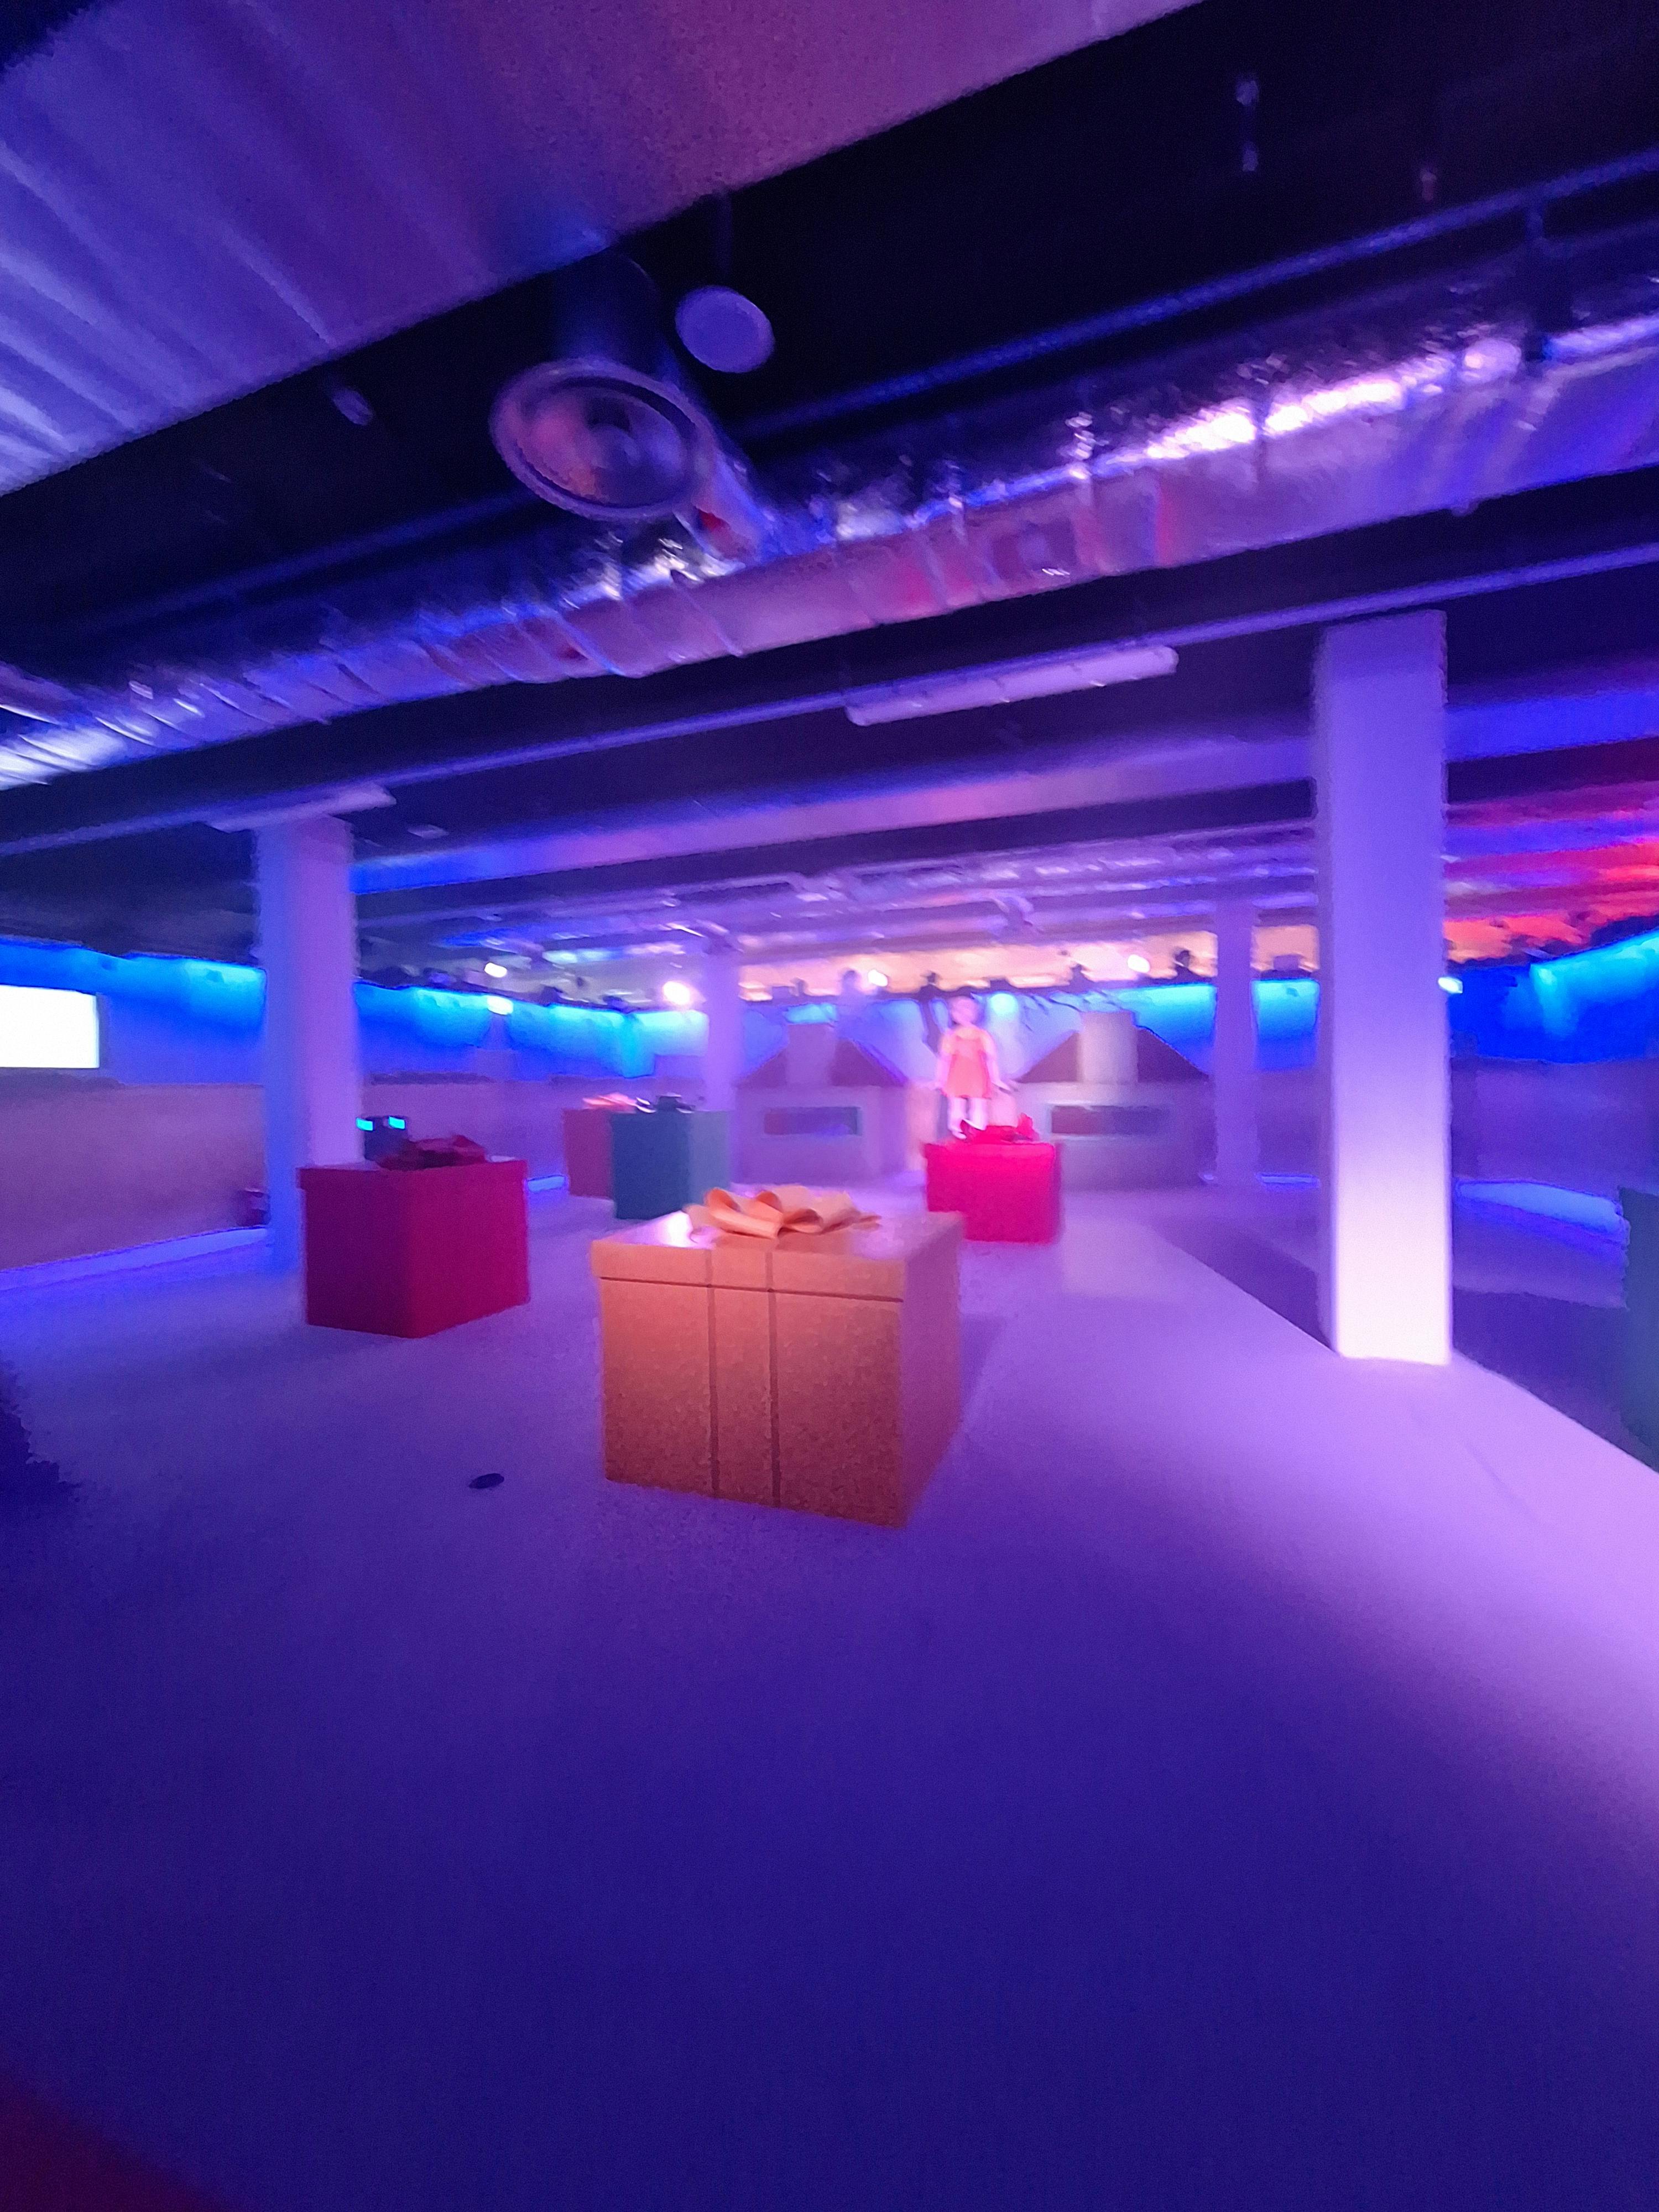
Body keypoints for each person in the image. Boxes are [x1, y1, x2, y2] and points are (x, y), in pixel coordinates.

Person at [935, 992, 1009, 1131]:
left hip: (978, 1076)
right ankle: (958, 1134)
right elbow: (945, 1060)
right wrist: (940, 1080)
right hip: (956, 1076)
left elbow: (991, 1058)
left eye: (968, 1008)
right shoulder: (951, 1036)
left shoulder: (982, 1035)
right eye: (959, 1009)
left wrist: (996, 1079)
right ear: (953, 1013)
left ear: (975, 1011)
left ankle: (978, 1133)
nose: (964, 1013)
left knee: (979, 1107)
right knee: (956, 1107)